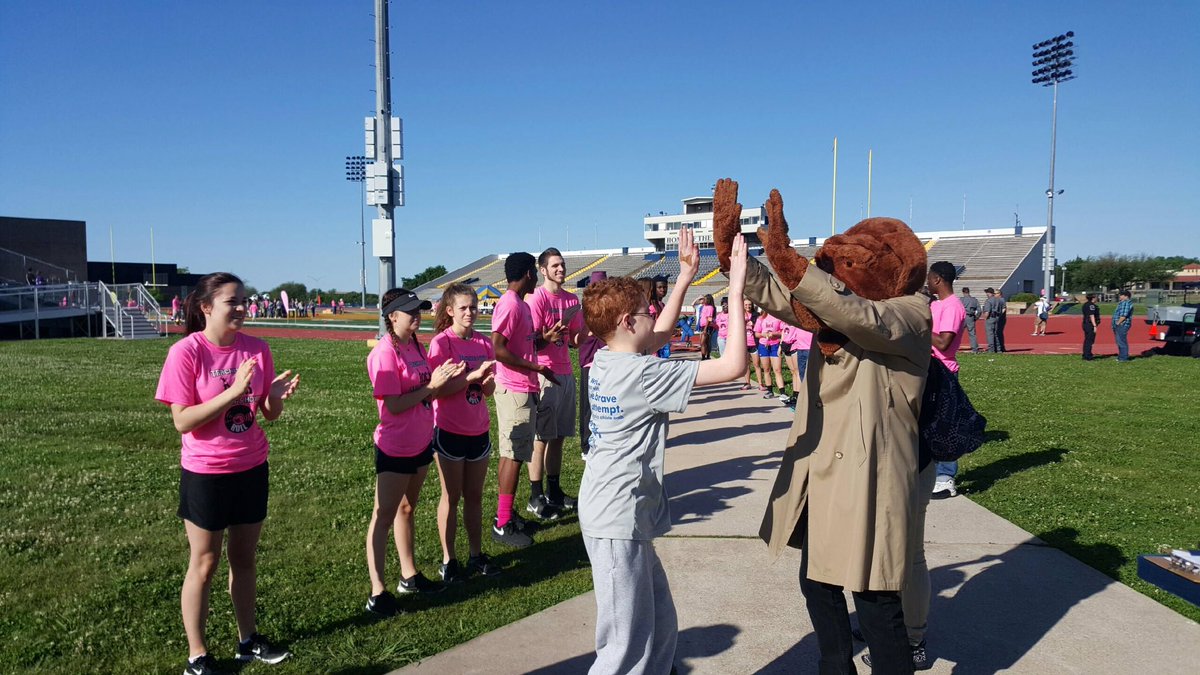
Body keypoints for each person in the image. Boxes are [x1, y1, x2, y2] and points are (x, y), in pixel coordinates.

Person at [579, 228, 749, 675]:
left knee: (659, 628)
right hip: (616, 518)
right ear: (624, 323)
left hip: (615, 511)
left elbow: (661, 332)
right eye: (642, 311)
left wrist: (686, 275)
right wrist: (734, 291)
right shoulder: (642, 375)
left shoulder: (606, 358)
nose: (648, 316)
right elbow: (733, 366)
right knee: (622, 648)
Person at [155, 272, 299, 675]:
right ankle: (197, 656)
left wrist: (271, 397)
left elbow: (266, 414)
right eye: (231, 301)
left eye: (243, 300)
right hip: (206, 472)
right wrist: (233, 392)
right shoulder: (186, 352)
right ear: (205, 307)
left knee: (244, 558)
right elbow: (182, 422)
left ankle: (247, 640)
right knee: (204, 562)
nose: (241, 307)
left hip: (251, 466)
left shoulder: (257, 348)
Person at [366, 288, 462, 616]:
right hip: (395, 447)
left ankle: (410, 575)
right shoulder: (384, 353)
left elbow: (425, 396)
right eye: (410, 312)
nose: (417, 317)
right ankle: (378, 590)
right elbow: (393, 405)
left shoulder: (417, 346)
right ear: (392, 317)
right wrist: (431, 387)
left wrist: (439, 387)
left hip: (421, 442)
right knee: (383, 516)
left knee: (407, 510)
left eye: (419, 311)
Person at [427, 284, 501, 582]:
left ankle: (475, 554)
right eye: (463, 308)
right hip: (449, 429)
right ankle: (449, 559)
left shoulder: (484, 343)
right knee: (451, 495)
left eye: (473, 307)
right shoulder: (441, 344)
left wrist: (484, 382)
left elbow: (490, 390)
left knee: (474, 496)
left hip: (478, 429)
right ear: (449, 311)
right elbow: (436, 391)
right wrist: (470, 376)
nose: (470, 312)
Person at [491, 253, 559, 548]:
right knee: (512, 455)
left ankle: (507, 515)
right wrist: (536, 368)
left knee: (516, 454)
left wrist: (547, 338)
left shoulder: (521, 305)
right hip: (513, 388)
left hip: (525, 386)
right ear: (530, 273)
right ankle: (502, 522)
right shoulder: (509, 304)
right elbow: (498, 349)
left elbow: (528, 344)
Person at [526, 248, 585, 519]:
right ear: (543, 270)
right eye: (555, 265)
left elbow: (574, 341)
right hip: (544, 373)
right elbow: (531, 342)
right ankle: (535, 495)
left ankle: (554, 491)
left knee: (559, 437)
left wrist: (591, 329)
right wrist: (547, 337)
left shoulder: (572, 300)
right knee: (541, 438)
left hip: (565, 373)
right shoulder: (536, 299)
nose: (561, 269)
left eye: (562, 264)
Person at [928, 262, 967, 500]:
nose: (927, 282)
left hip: (944, 371)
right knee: (929, 423)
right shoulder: (937, 304)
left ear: (938, 279)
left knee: (944, 425)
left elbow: (943, 342)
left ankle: (946, 478)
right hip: (930, 368)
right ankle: (931, 473)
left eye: (930, 278)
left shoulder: (953, 306)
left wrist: (920, 327)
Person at [578, 271, 609, 460]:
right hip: (590, 361)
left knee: (604, 403)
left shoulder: (610, 309)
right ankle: (586, 444)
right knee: (588, 405)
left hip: (607, 361)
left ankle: (601, 440)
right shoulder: (585, 310)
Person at [755, 310, 785, 400]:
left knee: (777, 370)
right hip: (763, 345)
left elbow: (782, 332)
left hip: (775, 345)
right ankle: (770, 391)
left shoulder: (778, 317)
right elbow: (756, 334)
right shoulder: (760, 318)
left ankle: (782, 392)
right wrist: (763, 335)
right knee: (766, 369)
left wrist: (774, 334)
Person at [981, 287, 1005, 353]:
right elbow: (1002, 310)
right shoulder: (999, 300)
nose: (986, 294)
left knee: (990, 334)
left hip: (990, 318)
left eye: (987, 293)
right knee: (996, 334)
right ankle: (998, 348)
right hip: (997, 318)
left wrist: (985, 318)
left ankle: (991, 349)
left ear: (989, 293)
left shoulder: (988, 301)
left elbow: (987, 312)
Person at [1112, 290, 1133, 362]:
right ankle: (1121, 356)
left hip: (1122, 324)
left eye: (1121, 295)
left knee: (1121, 341)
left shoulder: (1126, 303)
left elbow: (1124, 315)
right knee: (1119, 341)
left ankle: (1123, 358)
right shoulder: (1122, 303)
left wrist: (1118, 322)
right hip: (1120, 324)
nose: (1119, 296)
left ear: (1126, 296)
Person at [960, 287, 980, 352]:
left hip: (962, 317)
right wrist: (976, 317)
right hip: (971, 317)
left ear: (963, 292)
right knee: (972, 333)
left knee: (958, 333)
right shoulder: (974, 300)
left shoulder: (961, 300)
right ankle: (975, 349)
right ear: (969, 292)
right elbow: (979, 311)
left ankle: (954, 347)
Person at [1081, 293, 1101, 360]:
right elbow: (1091, 315)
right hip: (1089, 324)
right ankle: (1088, 355)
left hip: (1086, 323)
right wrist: (1094, 325)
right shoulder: (1091, 306)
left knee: (1087, 340)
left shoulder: (1086, 304)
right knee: (1090, 340)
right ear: (1093, 298)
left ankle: (1085, 354)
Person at [697, 294, 716, 359]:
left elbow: (709, 318)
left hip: (707, 326)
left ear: (708, 300)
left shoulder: (710, 307)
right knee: (705, 342)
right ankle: (706, 355)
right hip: (702, 326)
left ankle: (704, 356)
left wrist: (705, 328)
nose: (703, 300)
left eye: (705, 299)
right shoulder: (704, 306)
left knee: (703, 342)